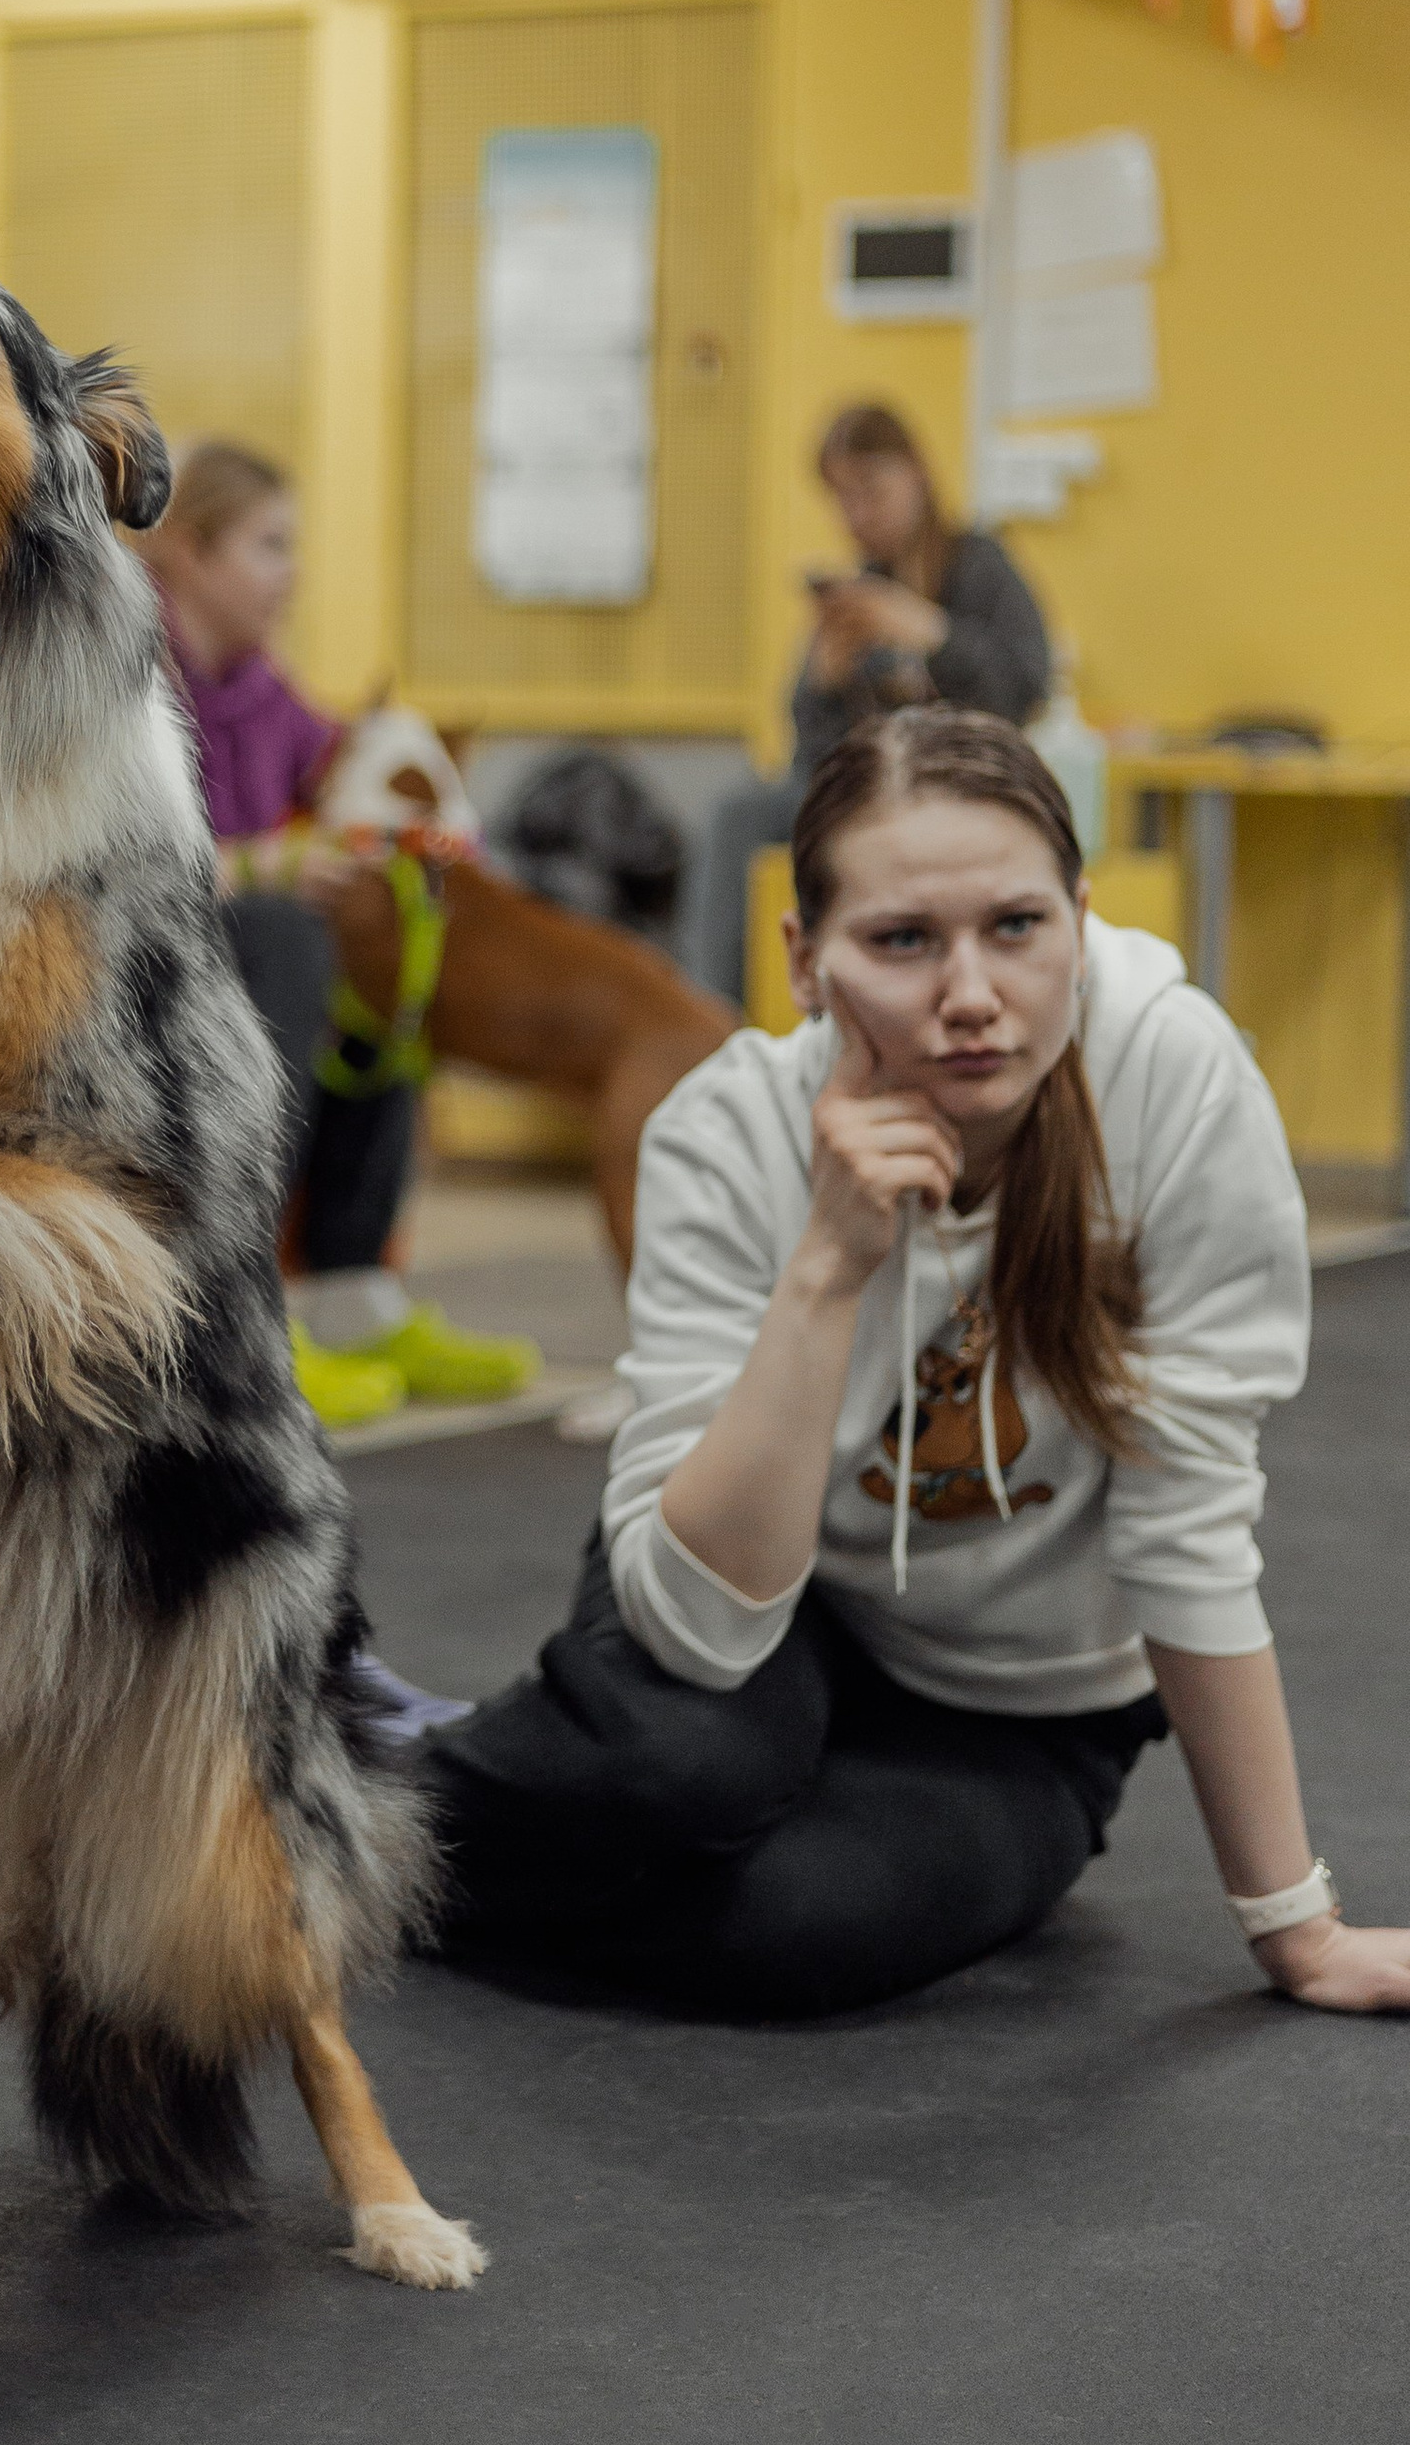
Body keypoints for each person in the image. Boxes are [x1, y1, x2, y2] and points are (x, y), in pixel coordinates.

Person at [426, 705, 1410, 2023]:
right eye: (901, 941)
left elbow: (1188, 1525)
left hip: (1022, 1709)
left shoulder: (1176, 1085)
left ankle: (440, 1831)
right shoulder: (726, 1131)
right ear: (804, 960)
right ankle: (354, 1807)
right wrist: (830, 1265)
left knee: (787, 1934)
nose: (971, 995)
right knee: (670, 1771)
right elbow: (698, 1632)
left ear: (1080, 920)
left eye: (1016, 927)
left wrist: (1299, 1931)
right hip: (764, 1598)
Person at [142, 439, 538, 1433]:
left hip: (237, 961)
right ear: (188, 549)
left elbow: (349, 766)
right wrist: (263, 864)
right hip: (131, 965)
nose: (292, 573)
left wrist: (412, 816)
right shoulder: (127, 677)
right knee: (288, 932)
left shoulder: (262, 690)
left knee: (379, 935)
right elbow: (104, 862)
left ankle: (352, 1292)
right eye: (269, 546)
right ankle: (239, 1308)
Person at [685, 400, 1052, 1006]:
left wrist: (930, 633)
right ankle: (717, 1016)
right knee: (741, 814)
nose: (857, 514)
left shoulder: (979, 568)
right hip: (869, 790)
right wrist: (823, 679)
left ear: (916, 474)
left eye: (871, 490)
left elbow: (1025, 687)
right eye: (842, 498)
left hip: (958, 790)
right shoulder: (858, 589)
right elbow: (806, 750)